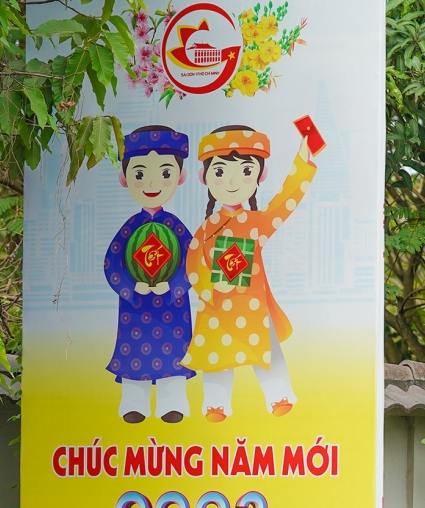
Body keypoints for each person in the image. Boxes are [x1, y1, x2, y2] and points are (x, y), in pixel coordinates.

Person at [180, 125, 316, 421]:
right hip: (216, 307)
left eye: (245, 170)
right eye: (220, 171)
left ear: (259, 176)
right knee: (216, 357)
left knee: (267, 351)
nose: (232, 180)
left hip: (254, 306)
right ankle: (216, 402)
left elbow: (284, 202)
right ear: (205, 177)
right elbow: (192, 262)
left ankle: (279, 394)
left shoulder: (256, 222)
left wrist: (305, 155)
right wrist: (207, 291)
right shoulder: (206, 229)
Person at [104, 125, 196, 423]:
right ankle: (135, 404)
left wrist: (174, 287)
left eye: (165, 173)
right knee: (134, 358)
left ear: (179, 177)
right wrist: (131, 288)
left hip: (172, 308)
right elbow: (112, 263)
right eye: (141, 173)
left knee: (174, 358)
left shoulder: (176, 226)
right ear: (125, 179)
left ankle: (174, 403)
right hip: (136, 309)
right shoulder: (131, 226)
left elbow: (194, 262)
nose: (153, 182)